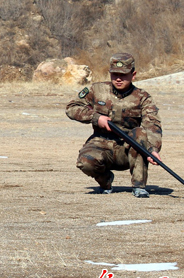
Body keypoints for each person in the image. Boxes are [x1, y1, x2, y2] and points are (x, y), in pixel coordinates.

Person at [66, 53, 162, 198]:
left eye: (123, 75)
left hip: (129, 149)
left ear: (133, 75)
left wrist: (153, 149)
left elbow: (153, 124)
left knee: (141, 134)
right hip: (101, 144)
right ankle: (105, 181)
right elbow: (71, 108)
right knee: (85, 162)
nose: (118, 78)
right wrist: (96, 118)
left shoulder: (143, 97)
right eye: (114, 74)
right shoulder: (96, 90)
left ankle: (139, 186)